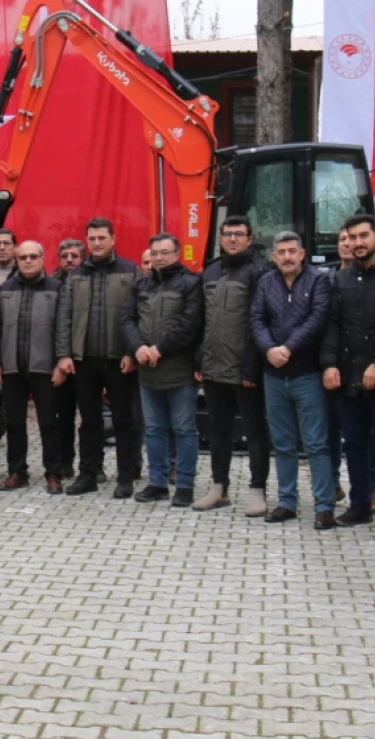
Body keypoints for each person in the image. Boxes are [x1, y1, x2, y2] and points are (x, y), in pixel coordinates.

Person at [323, 214, 375, 529]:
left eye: (363, 236)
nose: (357, 243)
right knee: (354, 442)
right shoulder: (341, 279)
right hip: (347, 376)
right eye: (352, 237)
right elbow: (333, 324)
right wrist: (329, 364)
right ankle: (359, 505)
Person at [249, 232, 336, 528]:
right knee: (283, 443)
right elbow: (256, 319)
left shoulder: (319, 281)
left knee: (316, 444)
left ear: (302, 253)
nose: (286, 257)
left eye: (292, 251)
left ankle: (324, 506)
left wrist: (288, 347)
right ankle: (287, 501)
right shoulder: (265, 282)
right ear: (274, 257)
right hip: (273, 375)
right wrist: (270, 349)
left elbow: (318, 318)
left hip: (307, 373)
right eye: (281, 252)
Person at [54, 218, 140, 498]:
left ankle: (125, 477)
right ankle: (88, 474)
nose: (97, 243)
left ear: (113, 239)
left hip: (119, 359)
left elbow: (138, 315)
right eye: (92, 238)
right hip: (85, 360)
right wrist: (64, 354)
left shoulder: (130, 271)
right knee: (89, 421)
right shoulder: (75, 275)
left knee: (124, 420)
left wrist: (131, 352)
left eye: (102, 237)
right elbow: (64, 317)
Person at [195, 216, 271, 514]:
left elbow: (261, 322)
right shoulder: (211, 270)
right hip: (213, 366)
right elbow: (202, 320)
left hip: (245, 369)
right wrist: (199, 358)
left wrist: (252, 367)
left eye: (239, 234)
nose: (233, 239)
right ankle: (219, 488)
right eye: (228, 234)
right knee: (218, 430)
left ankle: (257, 490)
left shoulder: (261, 270)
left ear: (250, 239)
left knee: (254, 431)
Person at [121, 233, 204, 505]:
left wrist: (160, 349)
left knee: (184, 430)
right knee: (154, 430)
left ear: (177, 254)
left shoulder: (191, 283)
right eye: (154, 253)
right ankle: (157, 482)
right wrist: (139, 348)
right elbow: (128, 319)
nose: (158, 257)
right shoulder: (141, 285)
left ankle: (184, 485)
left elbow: (189, 323)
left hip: (179, 371)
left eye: (164, 252)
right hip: (148, 372)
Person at [0, 240, 63, 493]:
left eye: (33, 256)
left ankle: (53, 473)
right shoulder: (6, 288)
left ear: (43, 258)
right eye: (23, 257)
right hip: (12, 368)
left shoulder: (56, 288)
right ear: (17, 260)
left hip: (44, 368)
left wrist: (61, 363)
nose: (28, 261)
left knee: (48, 423)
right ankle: (17, 472)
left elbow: (63, 329)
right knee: (14, 422)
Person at [52, 238, 84, 479]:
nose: (70, 260)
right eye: (65, 256)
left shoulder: (89, 282)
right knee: (63, 417)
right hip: (59, 363)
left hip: (86, 361)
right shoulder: (50, 285)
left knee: (90, 418)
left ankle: (94, 464)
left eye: (74, 256)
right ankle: (65, 461)